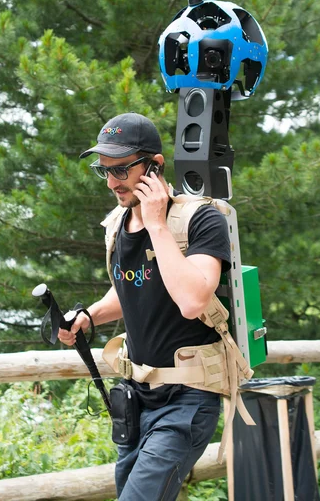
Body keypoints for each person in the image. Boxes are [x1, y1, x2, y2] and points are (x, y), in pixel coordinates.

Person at [58, 112, 231, 501]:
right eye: (104, 171)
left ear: (155, 165)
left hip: (187, 398)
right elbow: (132, 287)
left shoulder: (200, 220)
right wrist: (88, 316)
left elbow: (192, 300)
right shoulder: (118, 224)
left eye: (121, 169)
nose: (112, 182)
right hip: (135, 398)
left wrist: (156, 224)